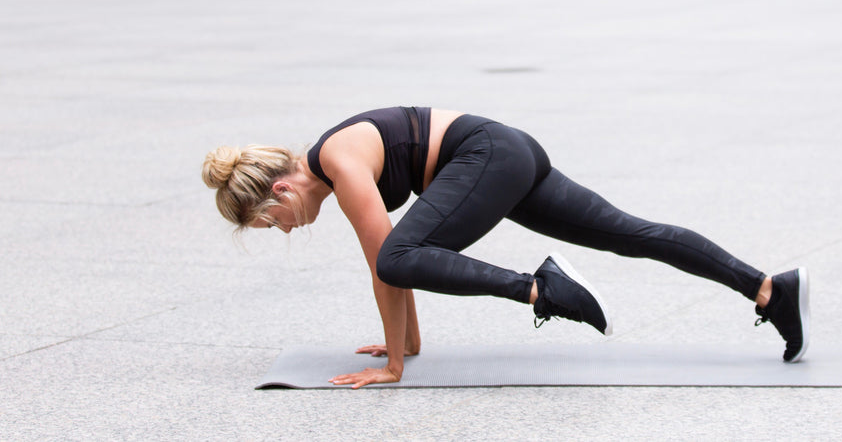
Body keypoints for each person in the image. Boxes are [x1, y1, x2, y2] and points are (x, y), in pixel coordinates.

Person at [203, 107, 809, 389]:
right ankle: (769, 289)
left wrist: (392, 366)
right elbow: (400, 262)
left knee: (395, 254)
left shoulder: (337, 158)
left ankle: (543, 289)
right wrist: (407, 344)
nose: (283, 230)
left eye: (270, 221)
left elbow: (387, 263)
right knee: (630, 234)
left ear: (281, 188)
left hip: (487, 156)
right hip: (503, 152)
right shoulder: (336, 169)